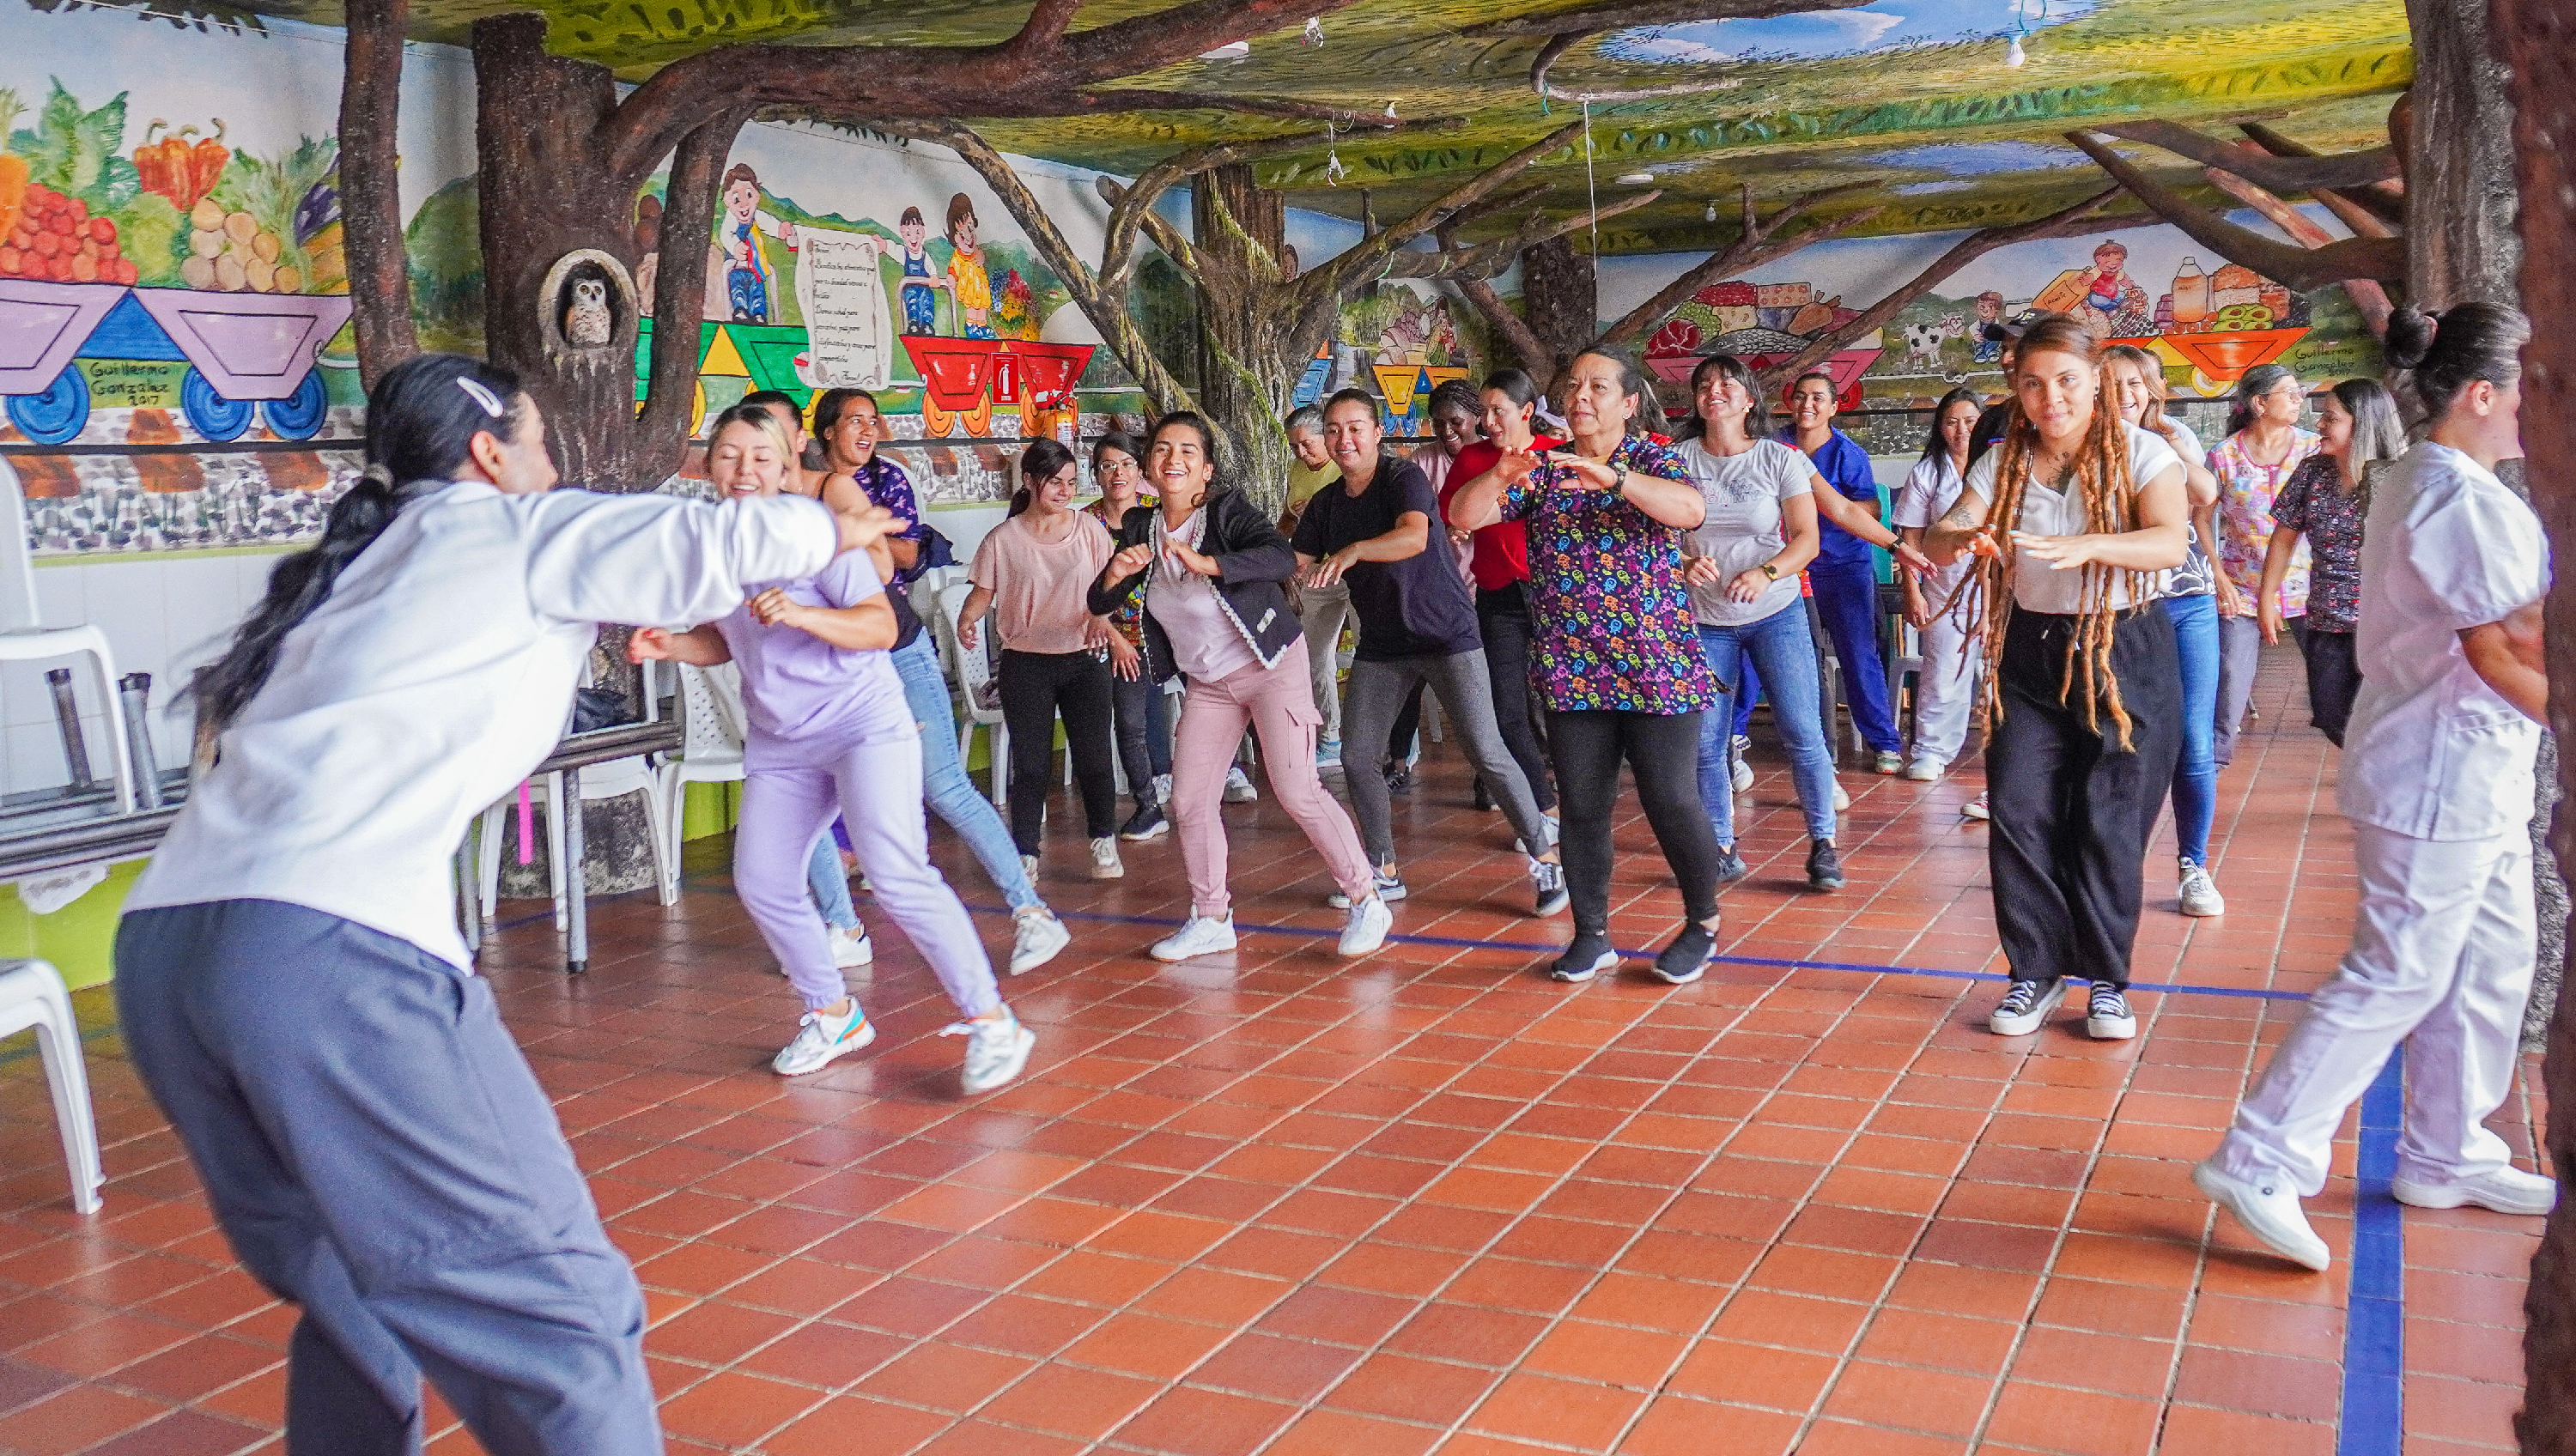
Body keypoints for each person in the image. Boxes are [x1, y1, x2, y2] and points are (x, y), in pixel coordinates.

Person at [113, 354, 889, 1454]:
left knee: (356, 1284)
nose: (553, 466)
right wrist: (835, 523)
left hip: (168, 952)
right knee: (562, 1320)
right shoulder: (505, 528)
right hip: (325, 956)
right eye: (540, 444)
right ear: (490, 454)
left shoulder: (360, 562)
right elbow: (710, 543)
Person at [2196, 303, 2555, 1271]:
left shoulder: (2440, 478)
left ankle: (2447, 1149)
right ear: (2482, 394)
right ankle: (2261, 1154)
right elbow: (2503, 646)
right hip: (2436, 772)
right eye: (2532, 386)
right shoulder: (2453, 496)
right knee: (2399, 969)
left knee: (2490, 963)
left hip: (2475, 775)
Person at [631, 405, 1035, 1093]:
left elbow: (879, 626)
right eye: (727, 455)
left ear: (787, 460)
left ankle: (994, 1021)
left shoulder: (821, 534)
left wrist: (801, 613)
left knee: (899, 875)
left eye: (759, 456)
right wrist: (669, 644)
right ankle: (833, 1011)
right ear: (708, 464)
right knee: (761, 880)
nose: (743, 470)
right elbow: (725, 638)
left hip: (862, 724)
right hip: (784, 740)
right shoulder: (719, 547)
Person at [1923, 316, 2190, 1042]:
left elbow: (2169, 538)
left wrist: (2091, 544)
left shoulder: (2143, 453)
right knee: (2019, 808)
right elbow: (1945, 532)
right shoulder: (2001, 464)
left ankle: (2106, 979)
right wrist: (1959, 538)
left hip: (2125, 647)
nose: (2051, 399)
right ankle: (2033, 973)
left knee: (2109, 818)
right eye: (2033, 384)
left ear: (2096, 379)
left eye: (2067, 381)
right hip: (2030, 653)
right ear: (2017, 389)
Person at [1449, 351, 1728, 986]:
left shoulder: (1655, 458)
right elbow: (1462, 518)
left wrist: (1613, 480)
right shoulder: (1542, 472)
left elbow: (1689, 512)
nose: (1581, 396)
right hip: (1573, 670)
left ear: (1629, 404)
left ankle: (1702, 922)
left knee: (1670, 797)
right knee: (1580, 806)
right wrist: (1499, 476)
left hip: (1656, 666)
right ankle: (1592, 934)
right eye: (1573, 386)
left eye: (1598, 387)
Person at [1091, 412, 1391, 961]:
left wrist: (1208, 563)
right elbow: (1099, 603)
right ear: (1147, 470)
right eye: (1161, 451)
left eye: (1186, 451)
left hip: (1271, 665)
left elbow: (1279, 557)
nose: (1172, 460)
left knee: (1298, 789)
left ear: (1204, 471)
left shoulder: (1224, 514)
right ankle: (1211, 918)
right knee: (1188, 800)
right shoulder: (1140, 527)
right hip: (1209, 684)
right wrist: (1113, 578)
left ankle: (1367, 899)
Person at [808, 387, 1072, 975]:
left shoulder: (875, 482)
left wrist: (860, 533)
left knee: (944, 785)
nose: (867, 431)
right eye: (854, 422)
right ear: (824, 432)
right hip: (833, 656)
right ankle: (842, 925)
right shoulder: (787, 498)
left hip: (895, 645)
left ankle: (1031, 913)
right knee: (803, 794)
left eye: (872, 422)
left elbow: (898, 558)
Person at [1294, 387, 1567, 915]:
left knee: (1486, 750)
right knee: (1355, 756)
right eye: (1333, 430)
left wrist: (1352, 552)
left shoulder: (1402, 478)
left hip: (1445, 635)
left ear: (1377, 434)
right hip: (1383, 644)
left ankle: (1545, 858)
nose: (1343, 439)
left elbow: (1414, 537)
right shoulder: (1327, 503)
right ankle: (1383, 869)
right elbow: (1298, 559)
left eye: (1355, 428)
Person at [1680, 355, 1928, 892]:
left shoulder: (1779, 458)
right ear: (1696, 402)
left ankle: (1823, 845)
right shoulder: (1676, 462)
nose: (1714, 391)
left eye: (1727, 383)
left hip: (1776, 613)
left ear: (1750, 400)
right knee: (1707, 742)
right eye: (1704, 385)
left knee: (1802, 730)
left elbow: (1819, 531)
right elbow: (1656, 533)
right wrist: (1682, 563)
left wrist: (1899, 548)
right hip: (1706, 619)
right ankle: (1720, 844)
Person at [742, 388, 872, 967]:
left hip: (854, 681)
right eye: (741, 444)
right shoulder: (735, 526)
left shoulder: (827, 503)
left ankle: (990, 1008)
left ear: (798, 442)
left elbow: (880, 600)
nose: (754, 455)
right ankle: (837, 943)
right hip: (784, 707)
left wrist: (803, 611)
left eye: (770, 438)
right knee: (763, 868)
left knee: (907, 856)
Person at [2103, 344, 2232, 919]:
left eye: (2135, 383)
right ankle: (2110, 860)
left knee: (2194, 742)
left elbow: (2205, 494)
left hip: (2186, 603)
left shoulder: (2171, 434)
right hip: (2121, 608)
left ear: (2152, 389)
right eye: (2113, 384)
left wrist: (2167, 448)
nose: (2126, 394)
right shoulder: (2084, 444)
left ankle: (2193, 867)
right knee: (2122, 740)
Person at [958, 440, 1123, 880]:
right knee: (1030, 764)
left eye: (1071, 483)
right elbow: (983, 593)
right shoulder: (1003, 539)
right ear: (1030, 482)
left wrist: (1106, 624)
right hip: (1026, 663)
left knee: (1093, 757)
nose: (1065, 491)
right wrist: (967, 620)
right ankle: (1026, 852)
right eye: (1055, 482)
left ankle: (1104, 840)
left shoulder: (1090, 531)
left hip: (1085, 659)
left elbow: (1110, 589)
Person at [1440, 369, 1560, 823]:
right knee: (1505, 708)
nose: (1487, 421)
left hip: (1557, 596)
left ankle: (1573, 798)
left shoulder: (1556, 457)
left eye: (1498, 411)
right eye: (1483, 412)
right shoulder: (1472, 459)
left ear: (1527, 412)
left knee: (1560, 706)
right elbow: (1450, 514)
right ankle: (1542, 809)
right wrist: (1456, 529)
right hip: (1497, 593)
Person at [2259, 378, 2404, 748]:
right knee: (2332, 716)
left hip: (2386, 626)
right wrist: (2266, 598)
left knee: (2382, 723)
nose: (2320, 424)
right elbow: (2283, 538)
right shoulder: (2313, 471)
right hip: (2325, 619)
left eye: (2331, 418)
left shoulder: (2398, 477)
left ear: (2362, 424)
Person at [1779, 370, 1906, 775]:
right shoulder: (1772, 444)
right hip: (1788, 567)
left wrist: (1819, 500)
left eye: (1818, 398)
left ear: (1835, 407)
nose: (1807, 405)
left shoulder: (1848, 454)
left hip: (1842, 566)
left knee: (1858, 653)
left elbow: (1868, 509)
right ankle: (1803, 744)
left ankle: (1884, 742)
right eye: (1800, 396)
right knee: (1785, 653)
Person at [2211, 363, 2320, 767]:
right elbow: (2201, 517)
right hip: (2242, 585)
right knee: (2230, 680)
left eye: (2299, 393)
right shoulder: (2223, 456)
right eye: (2289, 393)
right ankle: (2215, 763)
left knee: (2333, 679)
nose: (2299, 400)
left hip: (2310, 585)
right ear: (2259, 403)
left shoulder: (2313, 449)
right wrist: (2219, 576)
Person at [1084, 432, 1175, 840]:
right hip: (1114, 637)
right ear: (1096, 475)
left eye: (1124, 464)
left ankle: (1221, 775)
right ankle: (1148, 806)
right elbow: (1082, 592)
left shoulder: (1158, 516)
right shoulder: (1085, 524)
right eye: (1107, 466)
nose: (1116, 473)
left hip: (1167, 631)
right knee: (1129, 724)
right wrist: (1113, 635)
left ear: (1140, 471)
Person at [1893, 388, 1985, 783]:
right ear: (1940, 428)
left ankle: (2008, 757)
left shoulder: (2002, 464)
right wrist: (1912, 590)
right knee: (1941, 670)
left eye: (1970, 420)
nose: (1961, 430)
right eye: (1952, 421)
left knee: (2006, 675)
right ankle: (1931, 751)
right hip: (1942, 589)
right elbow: (1909, 536)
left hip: (2000, 592)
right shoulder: (1928, 472)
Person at [1283, 403, 1353, 767]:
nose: (1301, 453)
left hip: (1352, 570)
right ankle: (1330, 737)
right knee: (1312, 654)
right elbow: (1289, 516)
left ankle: (1400, 746)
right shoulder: (1297, 468)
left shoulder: (1345, 467)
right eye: (1294, 447)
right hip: (1315, 572)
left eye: (1306, 444)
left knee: (1380, 653)